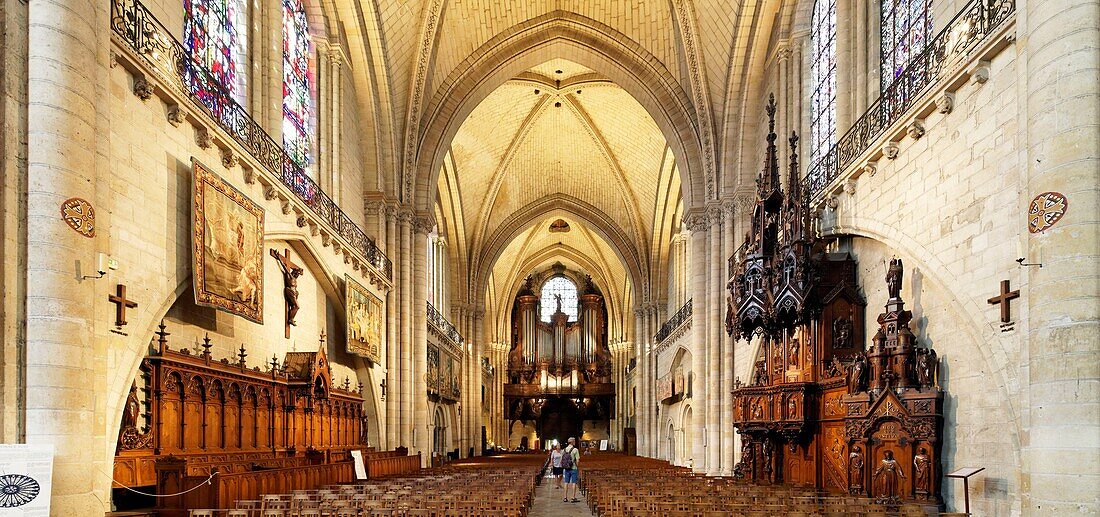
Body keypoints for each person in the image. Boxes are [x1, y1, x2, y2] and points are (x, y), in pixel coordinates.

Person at [561, 437, 581, 503]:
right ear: (572, 442)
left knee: (566, 482)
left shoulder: (564, 450)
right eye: (574, 441)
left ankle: (565, 497)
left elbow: (562, 460)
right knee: (574, 483)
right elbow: (577, 460)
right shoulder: (575, 450)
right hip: (573, 468)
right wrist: (577, 466)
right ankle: (573, 497)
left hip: (566, 468)